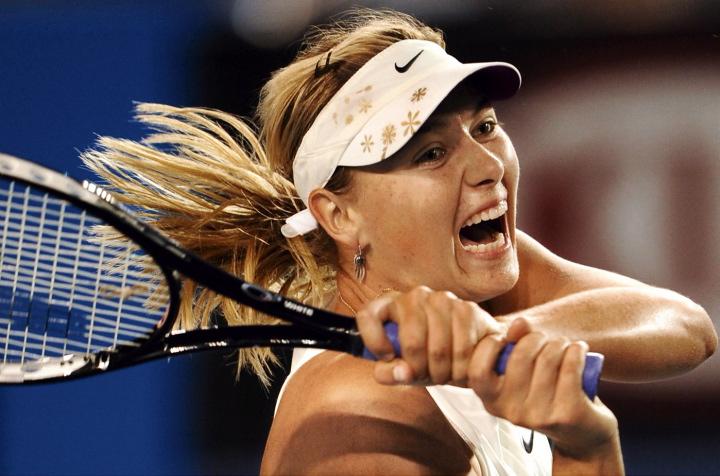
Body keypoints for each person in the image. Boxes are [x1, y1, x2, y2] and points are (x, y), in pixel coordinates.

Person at [82, 9, 716, 475]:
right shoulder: (355, 427)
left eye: (485, 126)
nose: (487, 165)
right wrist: (587, 451)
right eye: (431, 153)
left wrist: (502, 341)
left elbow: (688, 328)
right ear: (338, 215)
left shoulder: (483, 285)